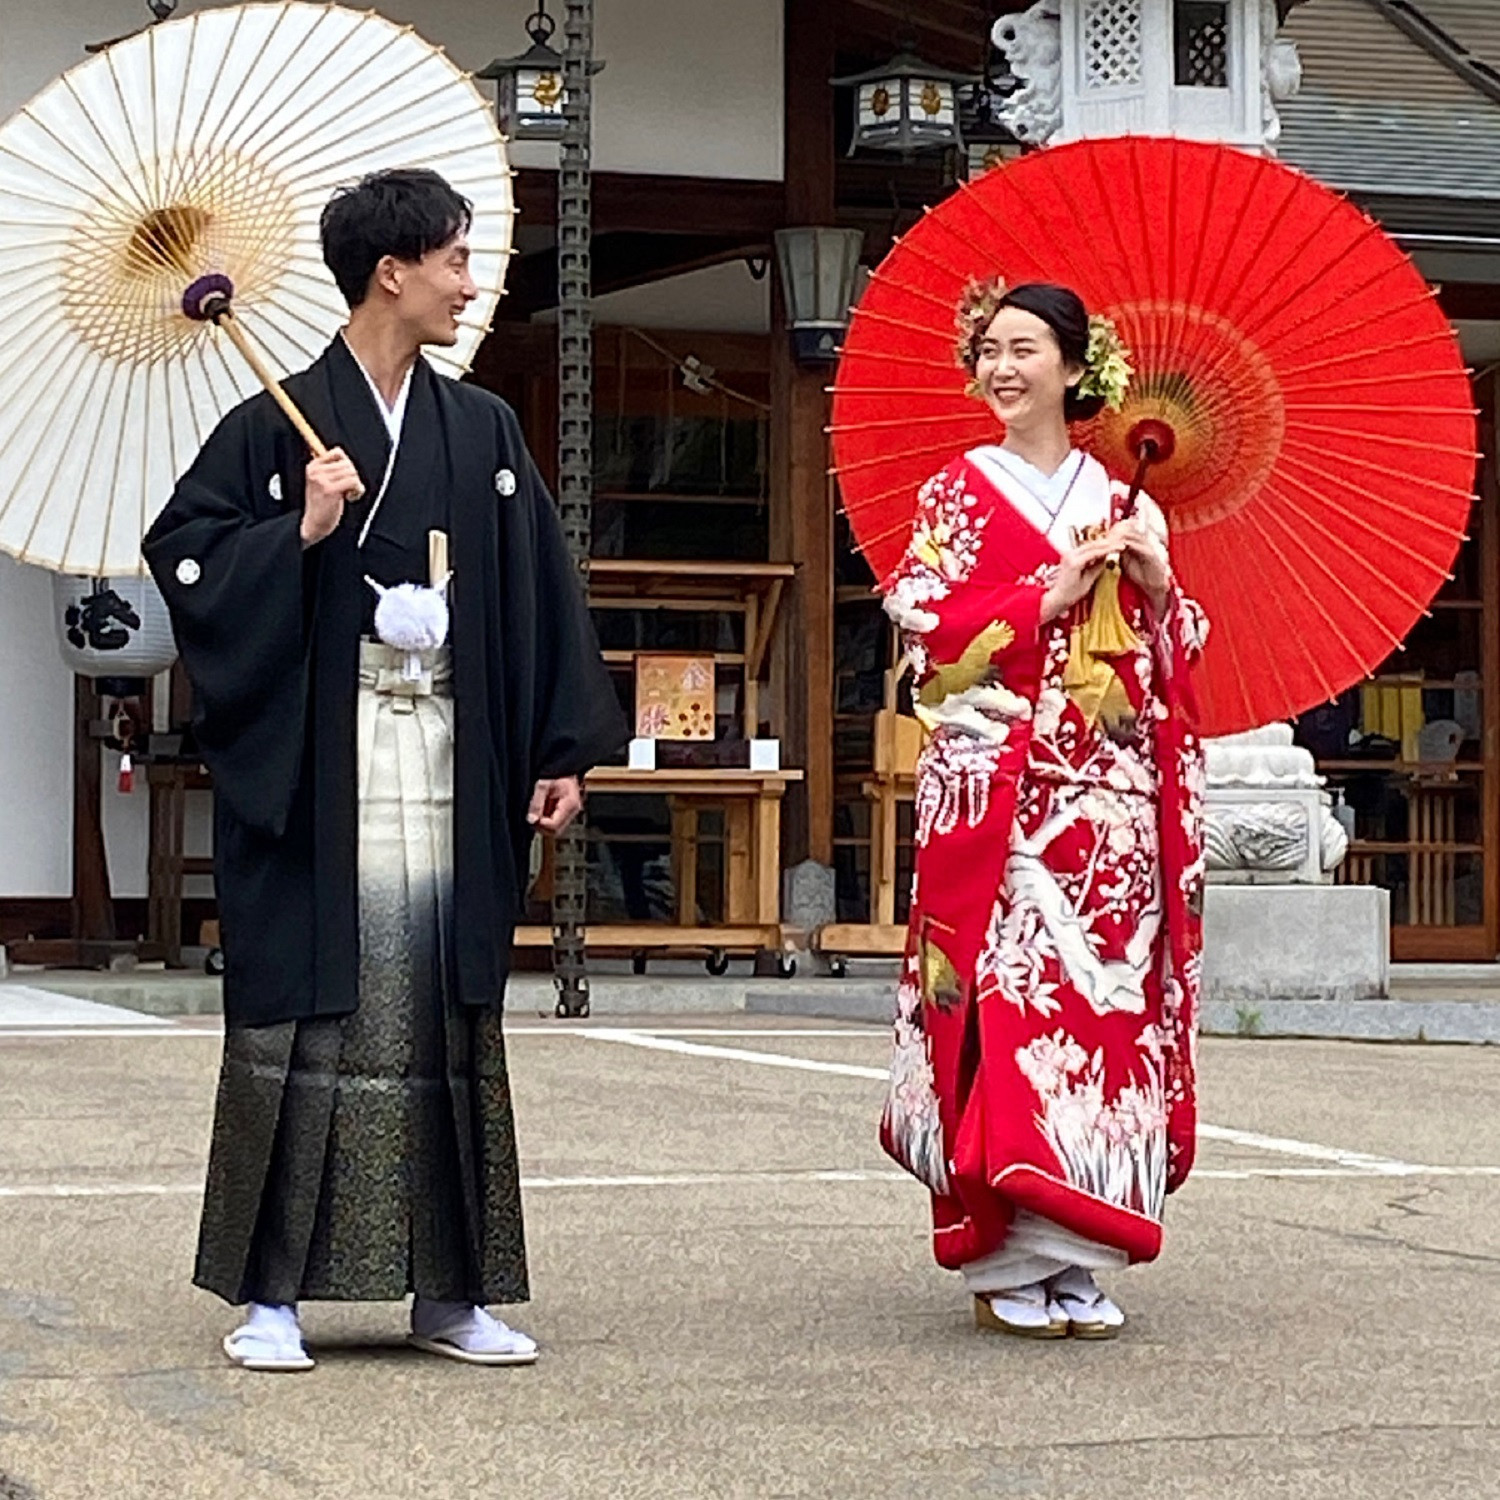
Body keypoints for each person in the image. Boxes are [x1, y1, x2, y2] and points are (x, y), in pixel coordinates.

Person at [144, 168, 625, 1372]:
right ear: (390, 273)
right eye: (456, 262)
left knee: (442, 1008)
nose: (472, 285)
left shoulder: (484, 430)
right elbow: (185, 555)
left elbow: (540, 589)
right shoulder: (276, 423)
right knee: (316, 1006)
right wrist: (295, 532)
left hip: (452, 751)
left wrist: (562, 744)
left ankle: (448, 1291)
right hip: (326, 758)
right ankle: (274, 1296)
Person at [878, 280, 1207, 1340]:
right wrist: (1039, 601)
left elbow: (1182, 661)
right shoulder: (956, 494)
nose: (1000, 368)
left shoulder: (1126, 501)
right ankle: (1007, 1250)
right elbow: (922, 623)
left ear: (1076, 370)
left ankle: (1082, 1251)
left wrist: (1156, 589)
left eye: (1023, 349)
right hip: (998, 806)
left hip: (1107, 817)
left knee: (1103, 1019)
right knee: (1005, 1011)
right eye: (988, 351)